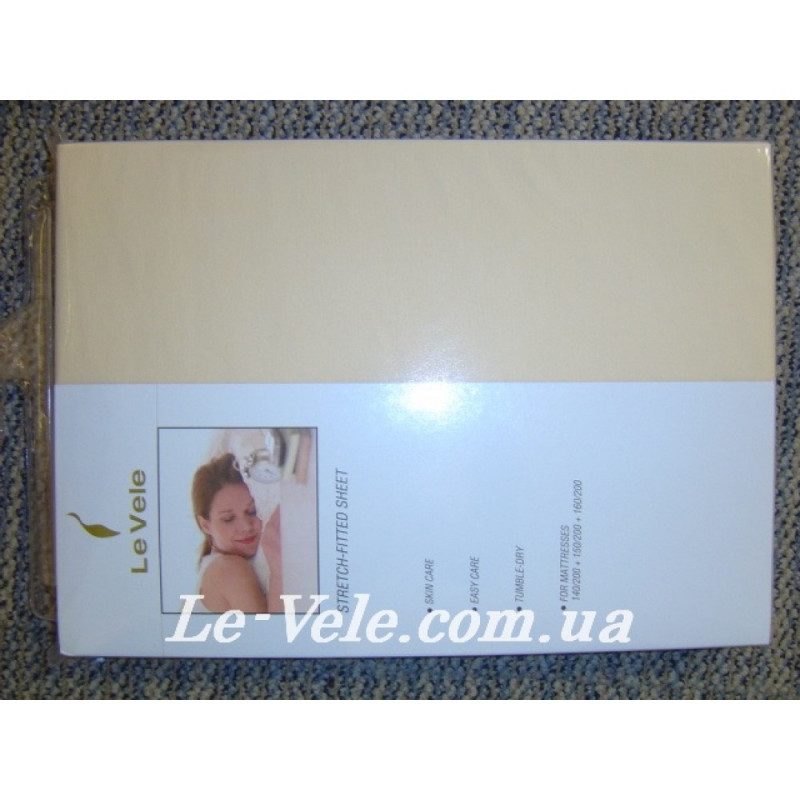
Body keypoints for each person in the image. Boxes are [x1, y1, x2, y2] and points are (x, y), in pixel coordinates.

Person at [192, 453, 284, 613]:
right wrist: (278, 571)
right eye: (229, 519)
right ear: (205, 525)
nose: (246, 526)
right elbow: (271, 629)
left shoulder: (216, 567)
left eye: (252, 511)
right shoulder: (228, 568)